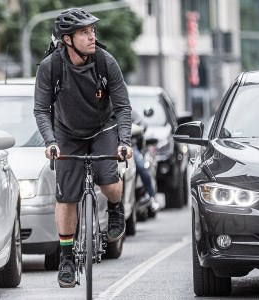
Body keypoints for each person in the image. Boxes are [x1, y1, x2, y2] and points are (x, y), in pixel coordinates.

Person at [33, 7, 133, 288]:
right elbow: (41, 110)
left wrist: (124, 142)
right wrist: (50, 142)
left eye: (92, 31)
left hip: (103, 127)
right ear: (67, 39)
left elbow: (123, 106)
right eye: (84, 32)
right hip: (66, 133)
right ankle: (66, 259)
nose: (92, 36)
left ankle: (115, 208)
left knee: (108, 181)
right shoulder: (50, 67)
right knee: (66, 197)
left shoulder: (105, 61)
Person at [131, 110, 159, 211]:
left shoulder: (127, 110)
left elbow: (143, 124)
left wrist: (140, 128)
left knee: (141, 167)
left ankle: (151, 197)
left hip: (128, 145)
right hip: (110, 147)